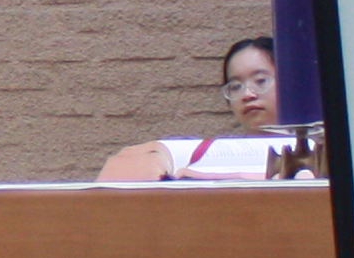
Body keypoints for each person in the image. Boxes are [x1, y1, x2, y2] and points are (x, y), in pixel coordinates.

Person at [98, 37, 291, 183]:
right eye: (235, 86)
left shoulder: (309, 155)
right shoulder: (200, 160)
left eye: (260, 81)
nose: (247, 94)